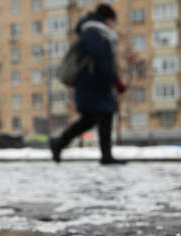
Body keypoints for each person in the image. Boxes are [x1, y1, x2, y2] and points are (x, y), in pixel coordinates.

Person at [49, 4, 127, 165]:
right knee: (95, 117)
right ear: (107, 19)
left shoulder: (97, 32)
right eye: (113, 20)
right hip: (91, 84)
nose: (113, 24)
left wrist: (112, 78)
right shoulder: (93, 32)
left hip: (97, 84)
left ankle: (62, 144)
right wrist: (115, 80)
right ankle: (60, 143)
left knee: (99, 117)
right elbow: (100, 58)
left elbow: (103, 59)